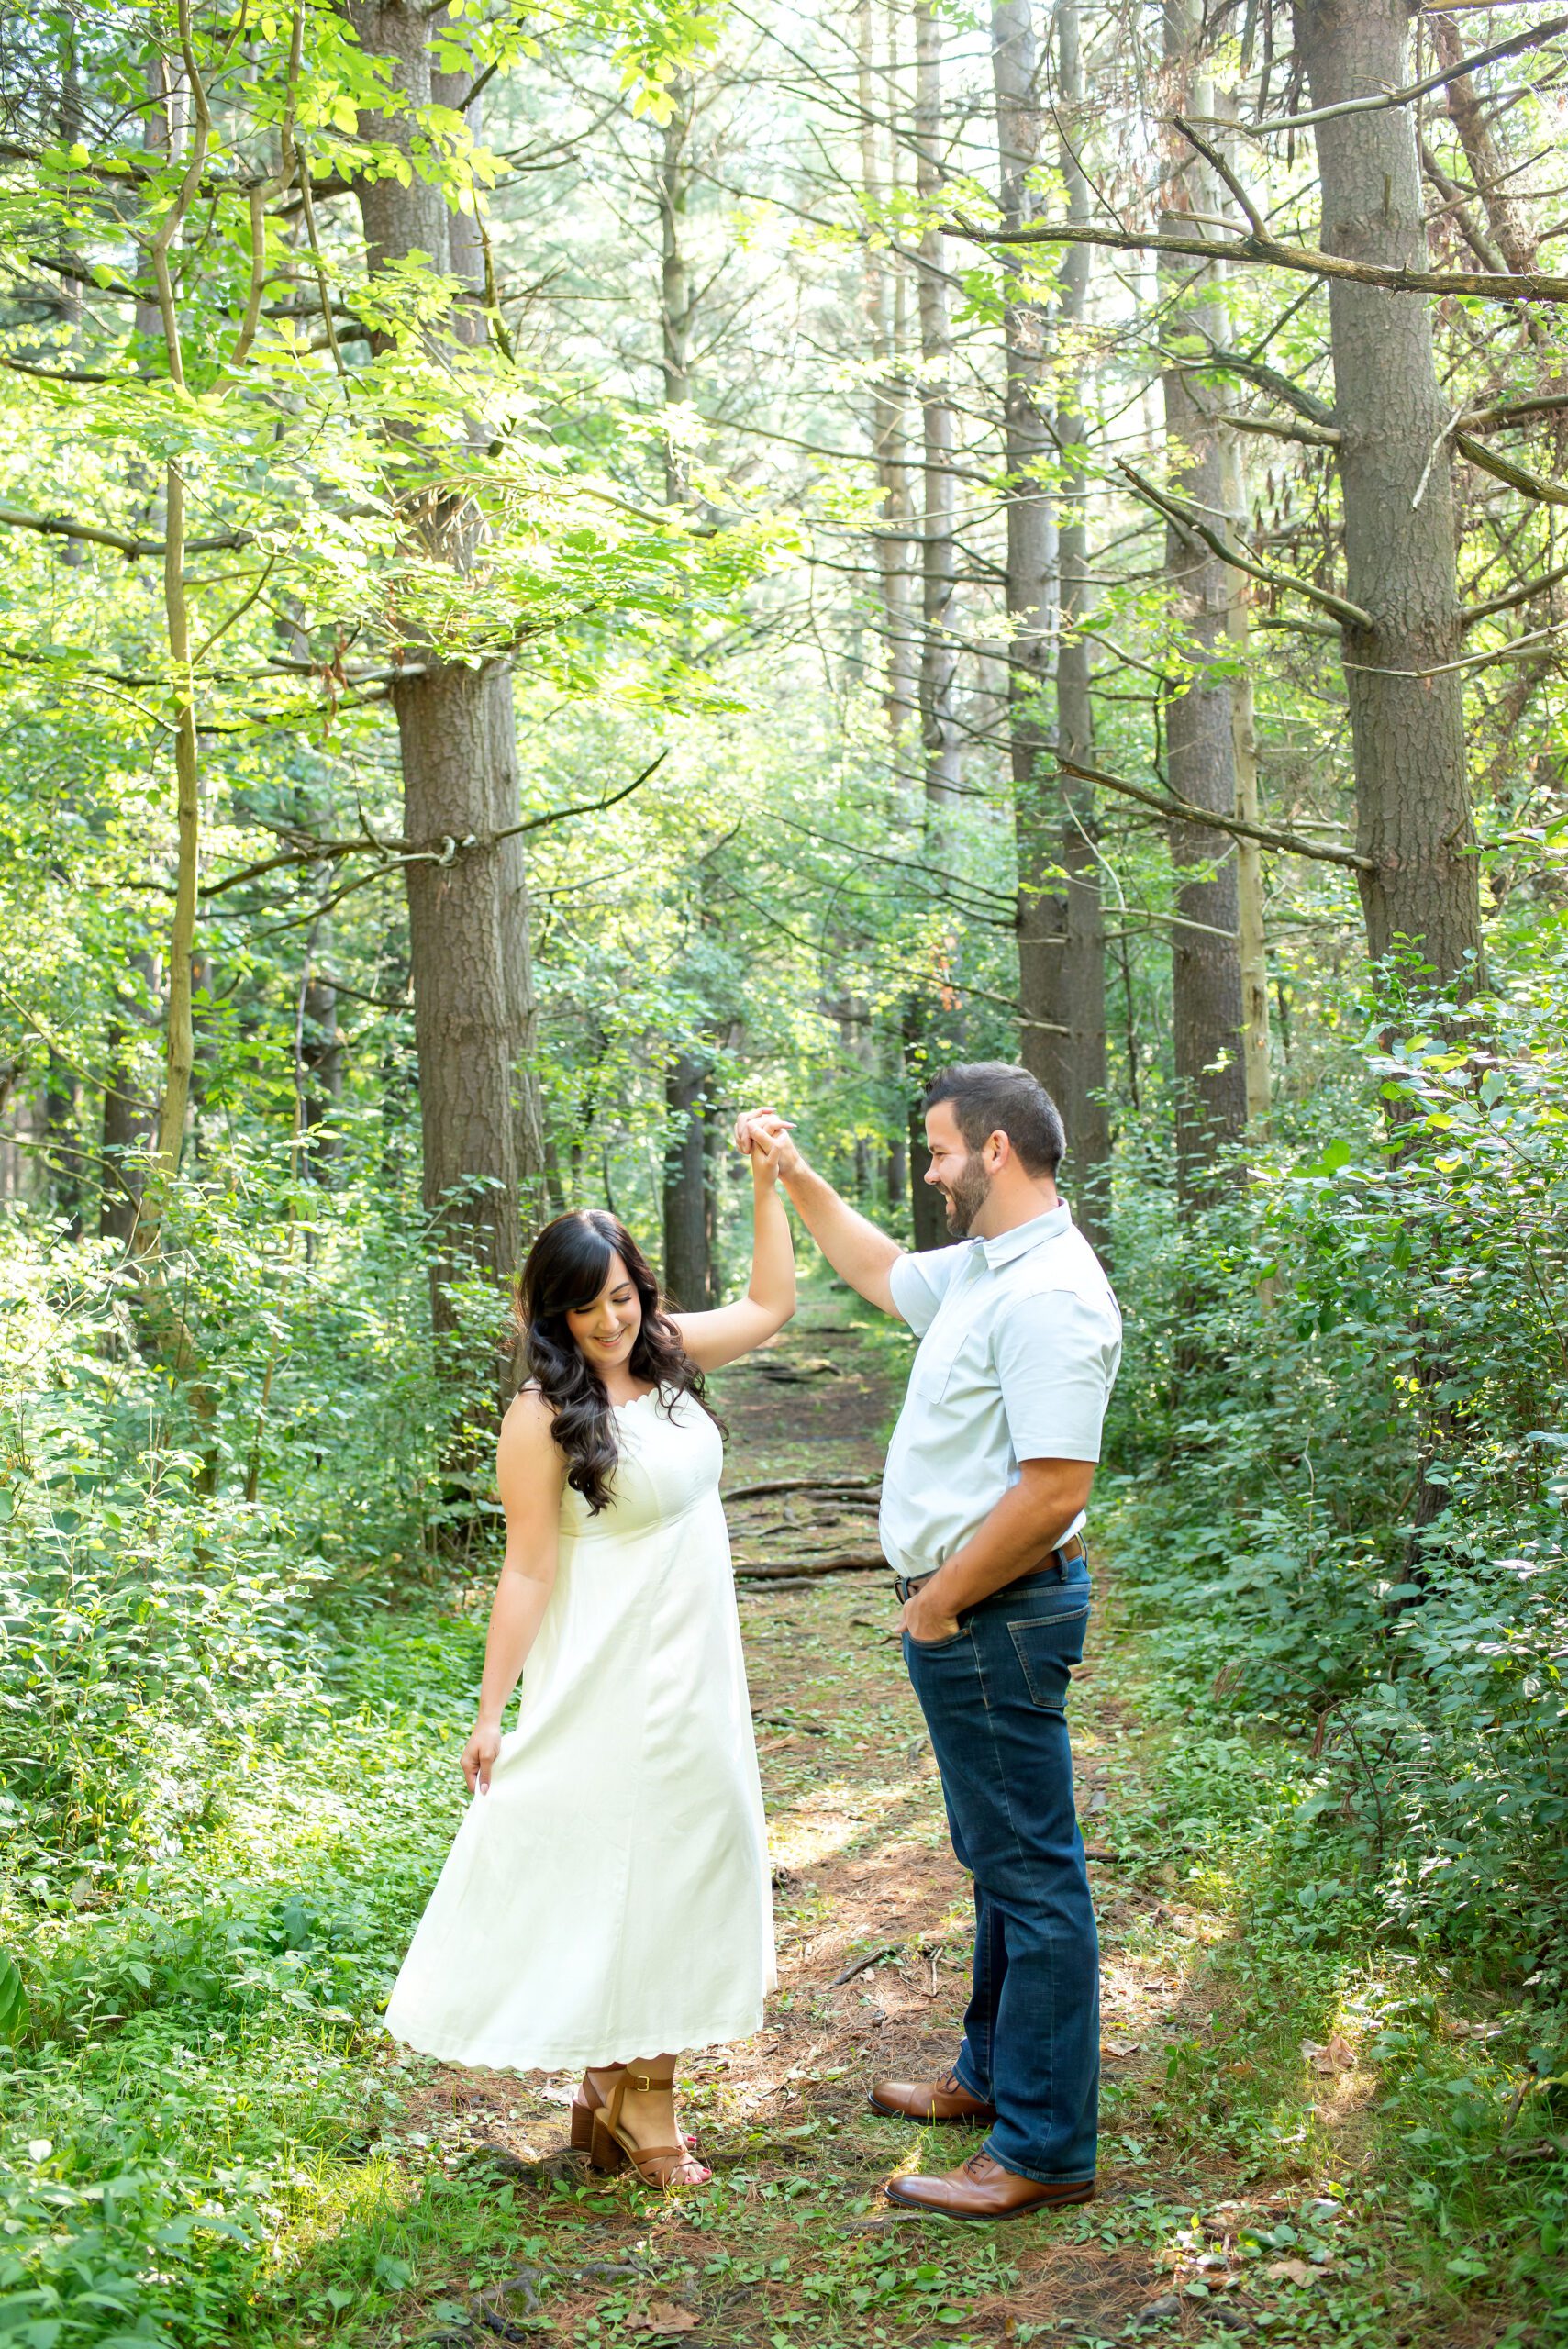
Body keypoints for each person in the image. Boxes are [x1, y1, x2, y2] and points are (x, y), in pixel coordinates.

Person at [738, 1064, 1120, 2221]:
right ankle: (991, 2074)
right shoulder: (988, 1266)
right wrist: (792, 1175)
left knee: (1032, 1876)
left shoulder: (1051, 1291)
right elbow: (877, 1271)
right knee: (999, 1858)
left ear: (996, 1150)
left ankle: (1042, 2147)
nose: (930, 1168)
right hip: (973, 1613)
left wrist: (938, 1602)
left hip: (994, 1614)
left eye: (941, 1148)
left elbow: (1053, 1488)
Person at [384, 1126, 795, 2188]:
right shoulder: (540, 1418)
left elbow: (769, 1305)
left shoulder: (667, 1354)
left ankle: (612, 2082)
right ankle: (642, 2099)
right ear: (552, 1315)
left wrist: (768, 1184)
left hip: (697, 1673)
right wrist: (490, 1711)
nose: (611, 1321)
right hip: (615, 1679)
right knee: (632, 1865)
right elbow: (526, 1569)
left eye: (622, 1296)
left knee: (692, 1852)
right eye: (587, 1306)